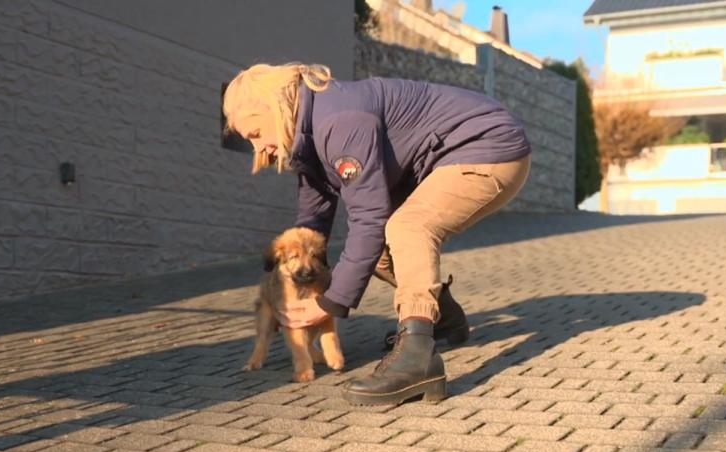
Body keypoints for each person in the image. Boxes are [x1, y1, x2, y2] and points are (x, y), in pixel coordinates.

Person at [222, 63, 531, 405]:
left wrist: (329, 303)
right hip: (442, 159)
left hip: (488, 146)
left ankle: (417, 358)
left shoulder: (337, 121)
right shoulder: (307, 138)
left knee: (407, 226)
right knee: (382, 247)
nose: (258, 149)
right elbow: (312, 222)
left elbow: (368, 218)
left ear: (273, 106)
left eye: (254, 134)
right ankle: (442, 319)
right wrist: (300, 283)